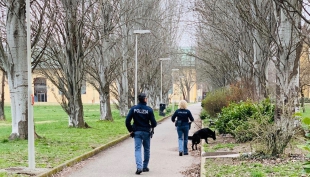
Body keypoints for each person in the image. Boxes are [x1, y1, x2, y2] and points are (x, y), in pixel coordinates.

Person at [125, 93, 157, 175]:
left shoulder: (134, 109)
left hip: (137, 132)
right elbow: (154, 123)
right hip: (146, 131)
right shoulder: (149, 110)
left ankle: (139, 167)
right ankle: (145, 166)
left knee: (137, 149)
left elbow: (127, 121)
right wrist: (151, 126)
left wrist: (131, 130)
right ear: (145, 99)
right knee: (146, 149)